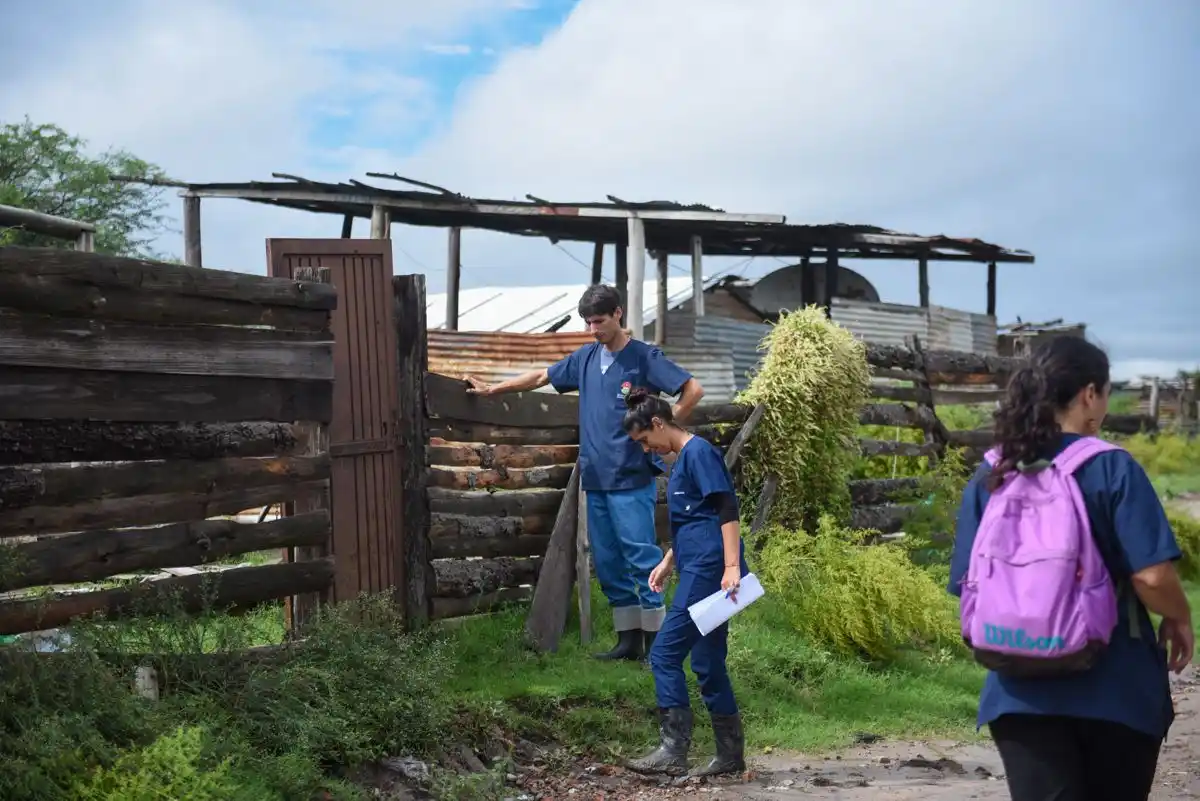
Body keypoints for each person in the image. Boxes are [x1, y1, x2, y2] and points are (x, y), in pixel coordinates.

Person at [948, 336, 1194, 801]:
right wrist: (1179, 616)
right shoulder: (1113, 469)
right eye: (1105, 393)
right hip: (1115, 691)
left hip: (1017, 695)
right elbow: (1151, 577)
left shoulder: (992, 474)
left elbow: (969, 585)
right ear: (1089, 394)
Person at [465, 284, 705, 661]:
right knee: (608, 563)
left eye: (600, 321)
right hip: (596, 477)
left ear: (618, 314)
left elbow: (693, 389)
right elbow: (542, 377)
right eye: (589, 322)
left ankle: (658, 646)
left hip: (631, 476)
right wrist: (494, 389)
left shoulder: (643, 357)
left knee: (641, 558)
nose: (594, 329)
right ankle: (628, 642)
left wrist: (665, 430)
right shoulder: (586, 358)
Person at [620, 387, 748, 778]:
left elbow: (726, 508)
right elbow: (696, 520)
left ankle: (673, 751)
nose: (647, 449)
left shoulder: (699, 454)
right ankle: (730, 756)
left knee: (663, 655)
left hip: (711, 571)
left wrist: (731, 566)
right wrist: (668, 560)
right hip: (695, 565)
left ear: (659, 423)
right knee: (707, 662)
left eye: (645, 439)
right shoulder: (681, 464)